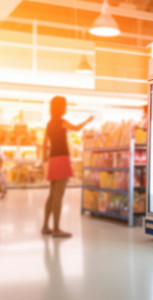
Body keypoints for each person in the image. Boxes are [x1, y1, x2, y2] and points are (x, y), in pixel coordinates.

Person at [41, 96, 93, 238]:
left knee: (52, 194)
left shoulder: (50, 123)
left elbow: (45, 142)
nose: (66, 107)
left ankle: (45, 226)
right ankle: (56, 229)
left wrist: (44, 158)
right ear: (60, 107)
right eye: (64, 105)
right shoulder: (61, 122)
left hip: (52, 158)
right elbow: (76, 128)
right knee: (59, 194)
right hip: (62, 158)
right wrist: (88, 120)